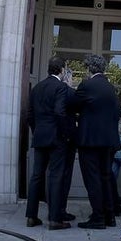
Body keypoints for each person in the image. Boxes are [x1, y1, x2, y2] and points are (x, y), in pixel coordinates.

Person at [25, 56, 77, 229]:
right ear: (62, 70)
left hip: (40, 136)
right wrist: (65, 135)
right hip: (56, 138)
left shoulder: (37, 87)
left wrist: (37, 131)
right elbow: (60, 112)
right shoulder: (61, 87)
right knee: (55, 176)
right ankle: (55, 219)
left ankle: (31, 216)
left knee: (37, 176)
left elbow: (30, 115)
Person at [74, 54, 121, 230]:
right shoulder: (110, 87)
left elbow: (71, 105)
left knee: (92, 179)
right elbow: (117, 111)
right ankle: (110, 216)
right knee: (106, 177)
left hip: (90, 141)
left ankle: (98, 217)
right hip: (109, 140)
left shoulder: (87, 85)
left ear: (89, 68)